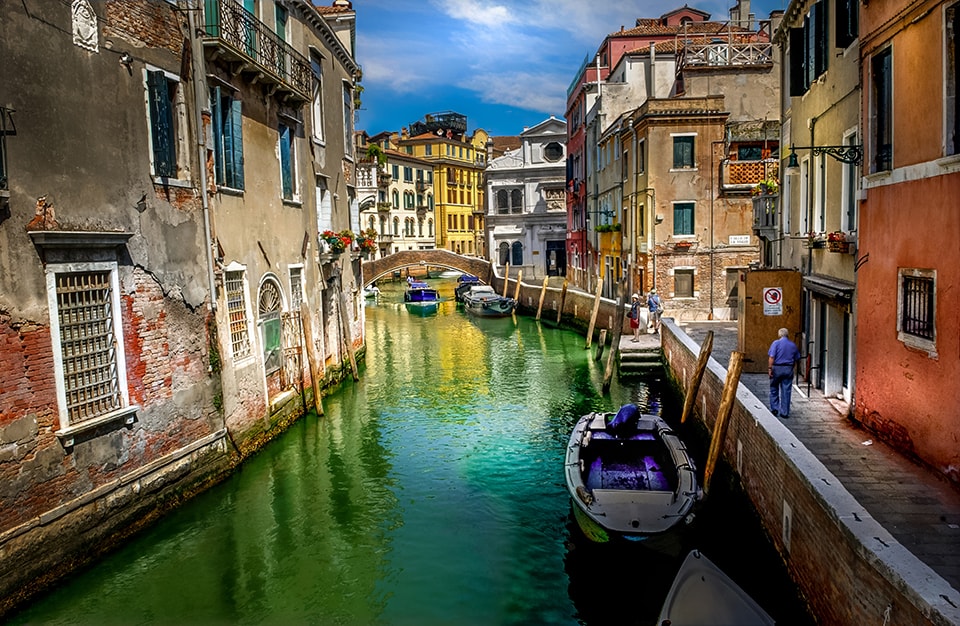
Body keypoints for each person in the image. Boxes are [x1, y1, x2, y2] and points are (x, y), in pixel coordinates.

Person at [768, 328, 801, 418]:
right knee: (786, 390)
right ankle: (784, 412)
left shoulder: (776, 343)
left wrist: (770, 368)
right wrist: (791, 368)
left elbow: (771, 357)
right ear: (787, 335)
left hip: (777, 368)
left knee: (774, 388)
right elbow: (796, 358)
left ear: (779, 335)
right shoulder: (793, 345)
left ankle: (775, 408)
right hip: (788, 368)